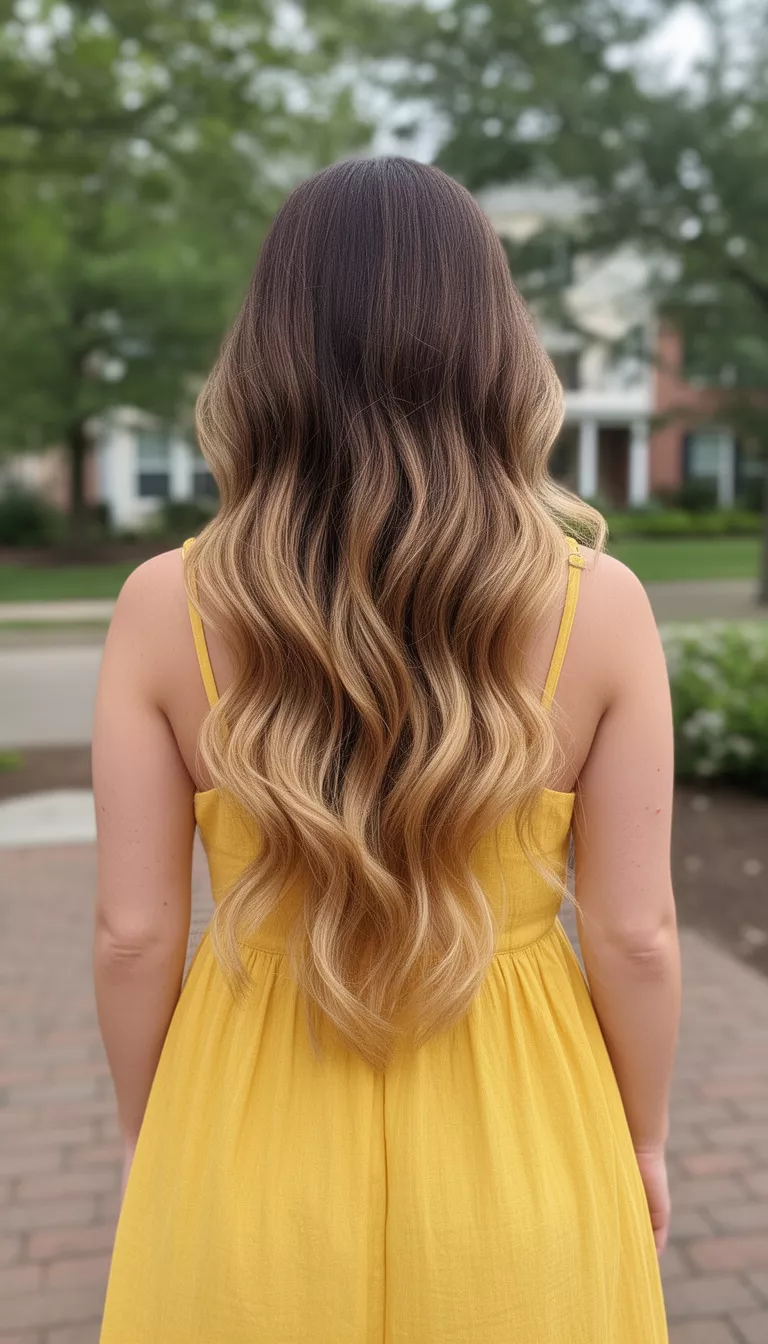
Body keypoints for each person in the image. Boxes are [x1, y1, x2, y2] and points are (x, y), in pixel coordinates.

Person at [93, 155, 680, 1343]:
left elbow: (134, 933)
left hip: (248, 1104)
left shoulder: (164, 606)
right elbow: (636, 933)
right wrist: (649, 1136)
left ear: (266, 352)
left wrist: (152, 1130)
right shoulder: (598, 605)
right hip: (528, 1118)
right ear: (494, 348)